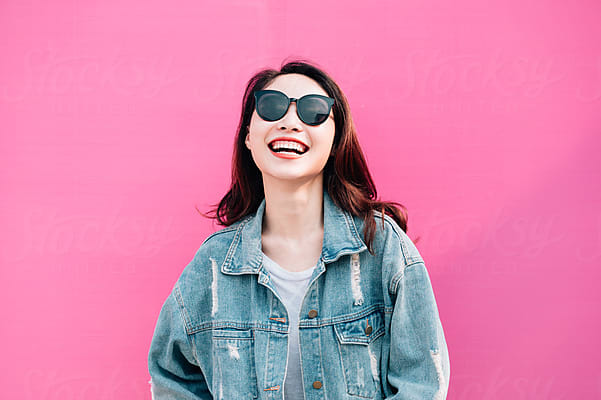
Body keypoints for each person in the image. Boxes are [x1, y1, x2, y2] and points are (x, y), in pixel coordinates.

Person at [148, 59, 450, 399]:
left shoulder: (381, 247)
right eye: (272, 107)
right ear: (248, 136)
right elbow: (171, 377)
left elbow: (423, 383)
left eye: (315, 111)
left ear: (336, 141)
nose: (290, 122)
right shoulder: (214, 265)